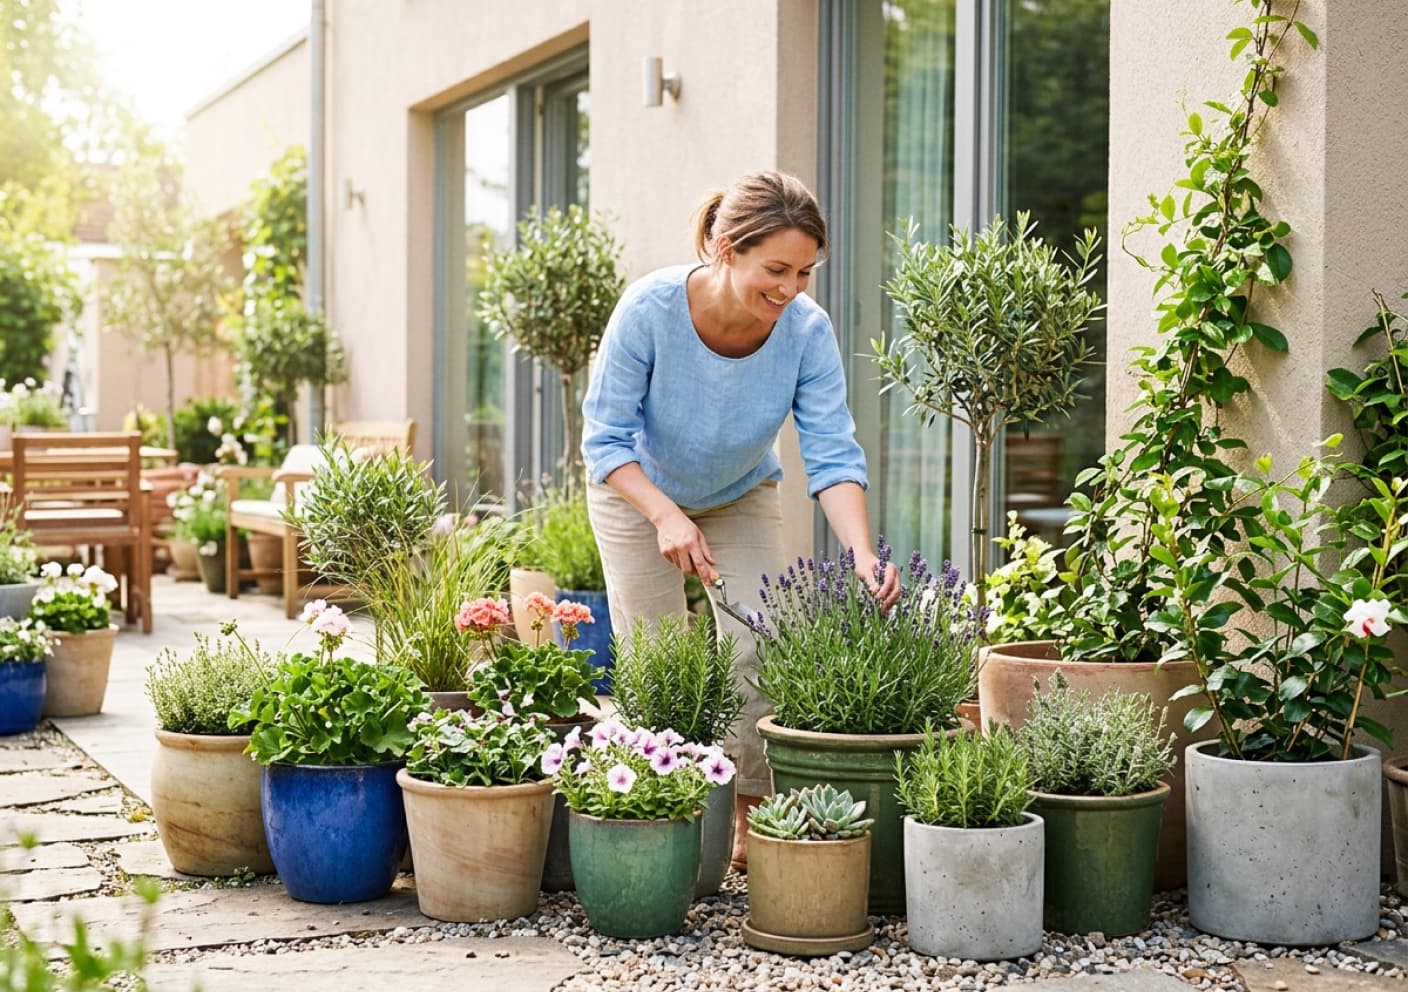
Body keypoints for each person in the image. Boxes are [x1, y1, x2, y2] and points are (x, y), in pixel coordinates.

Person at [581, 169, 898, 869]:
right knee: (656, 656)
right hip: (637, 490)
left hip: (739, 491)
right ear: (726, 248)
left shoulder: (806, 332)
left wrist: (860, 553)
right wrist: (666, 516)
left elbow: (831, 448)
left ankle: (749, 821)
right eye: (775, 269)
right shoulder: (650, 310)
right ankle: (661, 820)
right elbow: (603, 440)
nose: (788, 289)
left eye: (804, 273)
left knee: (760, 640)